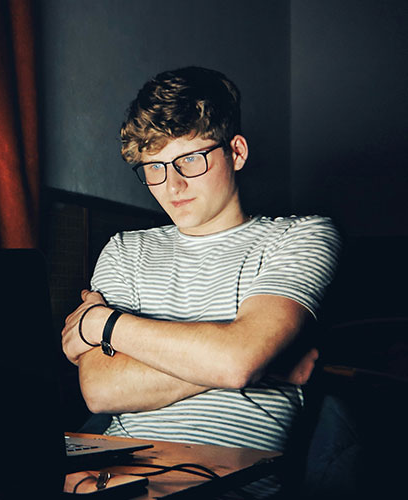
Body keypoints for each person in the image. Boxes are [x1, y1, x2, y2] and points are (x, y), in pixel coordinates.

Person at [61, 67, 341, 456]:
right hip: (114, 473)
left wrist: (100, 323)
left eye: (190, 160)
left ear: (236, 152)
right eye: (154, 167)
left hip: (229, 484)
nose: (172, 185)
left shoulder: (299, 237)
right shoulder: (125, 249)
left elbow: (237, 361)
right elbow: (100, 390)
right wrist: (263, 362)